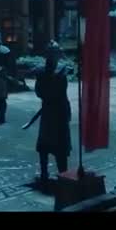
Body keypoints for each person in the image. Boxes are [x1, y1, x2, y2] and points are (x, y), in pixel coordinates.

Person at [32, 41, 72, 187]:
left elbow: (62, 90)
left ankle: (64, 174)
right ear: (47, 54)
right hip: (49, 110)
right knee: (44, 145)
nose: (53, 56)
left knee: (61, 146)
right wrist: (48, 95)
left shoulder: (63, 69)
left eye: (55, 53)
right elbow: (38, 91)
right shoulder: (41, 71)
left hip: (60, 110)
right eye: (51, 53)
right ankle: (44, 174)